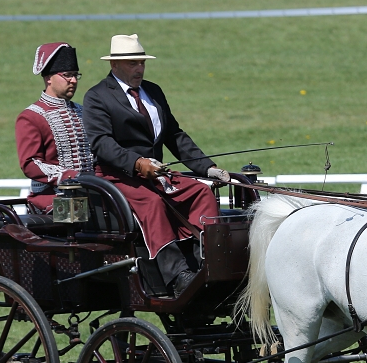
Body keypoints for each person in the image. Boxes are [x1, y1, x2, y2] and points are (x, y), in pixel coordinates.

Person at [83, 33, 229, 296]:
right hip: (117, 176)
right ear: (114, 65)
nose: (139, 68)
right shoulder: (97, 97)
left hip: (156, 172)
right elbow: (101, 143)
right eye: (132, 63)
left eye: (141, 62)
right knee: (152, 204)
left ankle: (205, 262)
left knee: (201, 192)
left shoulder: (153, 91)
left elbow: (174, 135)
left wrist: (207, 168)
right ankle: (177, 275)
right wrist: (137, 163)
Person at [16, 42, 94, 213]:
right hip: (52, 197)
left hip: (91, 192)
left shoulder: (82, 112)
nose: (73, 80)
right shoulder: (31, 116)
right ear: (48, 78)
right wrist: (71, 176)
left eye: (75, 75)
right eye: (67, 75)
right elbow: (30, 163)